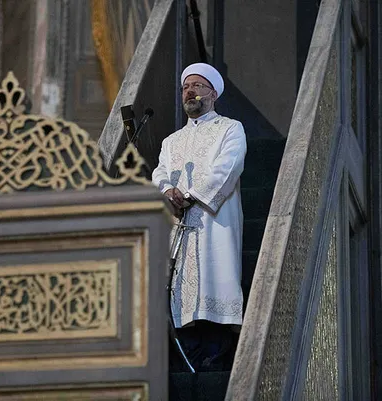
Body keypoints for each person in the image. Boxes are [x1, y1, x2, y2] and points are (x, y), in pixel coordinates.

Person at [151, 62, 246, 370]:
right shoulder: (171, 141)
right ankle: (188, 349)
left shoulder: (230, 128)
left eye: (197, 86)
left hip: (213, 221)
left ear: (213, 93)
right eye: (185, 87)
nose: (189, 92)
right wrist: (168, 191)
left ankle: (217, 351)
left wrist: (191, 196)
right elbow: (160, 172)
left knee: (215, 280)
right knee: (181, 290)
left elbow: (227, 168)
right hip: (178, 223)